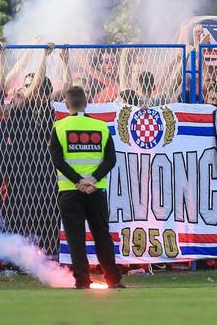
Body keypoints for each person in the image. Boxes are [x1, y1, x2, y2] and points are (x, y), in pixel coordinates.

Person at [49, 86, 123, 290]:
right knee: (102, 235)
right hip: (96, 190)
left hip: (69, 191)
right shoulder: (101, 127)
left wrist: (78, 181)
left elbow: (57, 160)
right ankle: (113, 279)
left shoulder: (60, 127)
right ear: (86, 102)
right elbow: (111, 159)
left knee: (75, 237)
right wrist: (92, 180)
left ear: (66, 104)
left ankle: (82, 281)